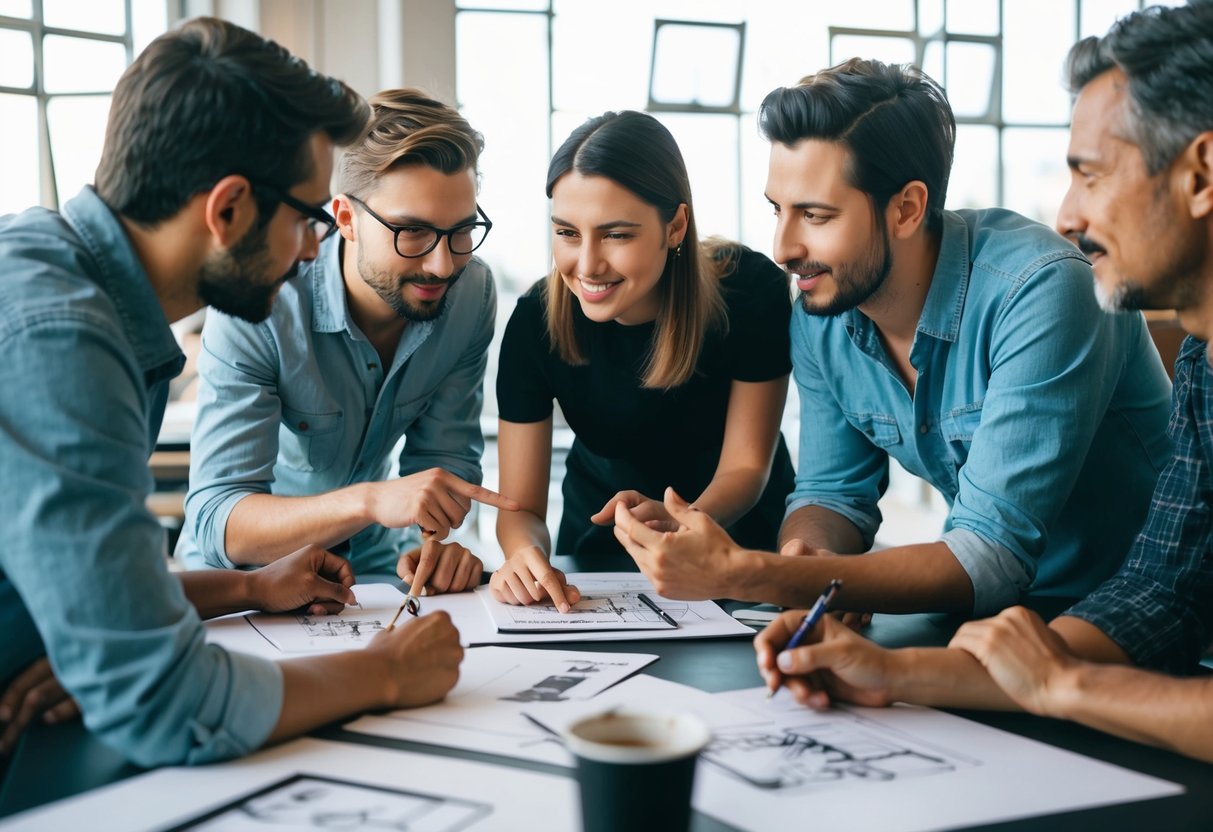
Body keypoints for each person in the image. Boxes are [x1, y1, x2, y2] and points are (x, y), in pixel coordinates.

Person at [754, 1, 1213, 764]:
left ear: (1199, 175)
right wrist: (895, 672)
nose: (1066, 216)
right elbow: (1162, 594)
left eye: (1090, 176)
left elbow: (1014, 583)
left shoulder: (1040, 283)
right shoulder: (1202, 360)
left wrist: (1063, 684)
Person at [0, 18, 462, 767]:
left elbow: (96, 591)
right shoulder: (60, 339)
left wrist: (247, 589)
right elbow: (161, 701)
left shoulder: (69, 285)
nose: (317, 248)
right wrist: (385, 671)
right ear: (227, 209)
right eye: (309, 219)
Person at [615, 58, 1173, 619]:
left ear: (906, 208)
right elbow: (831, 495)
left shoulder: (1042, 290)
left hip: (1149, 616)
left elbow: (990, 557)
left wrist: (761, 574)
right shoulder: (822, 313)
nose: (783, 248)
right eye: (777, 210)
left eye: (815, 215)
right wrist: (814, 566)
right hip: (1001, 621)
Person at [178, 88, 516, 593]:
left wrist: (433, 546)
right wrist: (371, 500)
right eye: (412, 232)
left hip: (376, 572)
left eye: (461, 231)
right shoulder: (259, 301)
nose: (442, 264)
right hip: (242, 583)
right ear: (346, 219)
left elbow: (441, 464)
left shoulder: (471, 292)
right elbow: (216, 520)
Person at [492, 111, 795, 611]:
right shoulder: (534, 322)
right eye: (567, 233)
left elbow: (746, 467)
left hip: (737, 541)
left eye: (616, 235)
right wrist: (525, 554)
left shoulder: (749, 292)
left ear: (674, 226)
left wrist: (682, 523)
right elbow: (520, 508)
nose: (587, 265)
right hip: (601, 552)